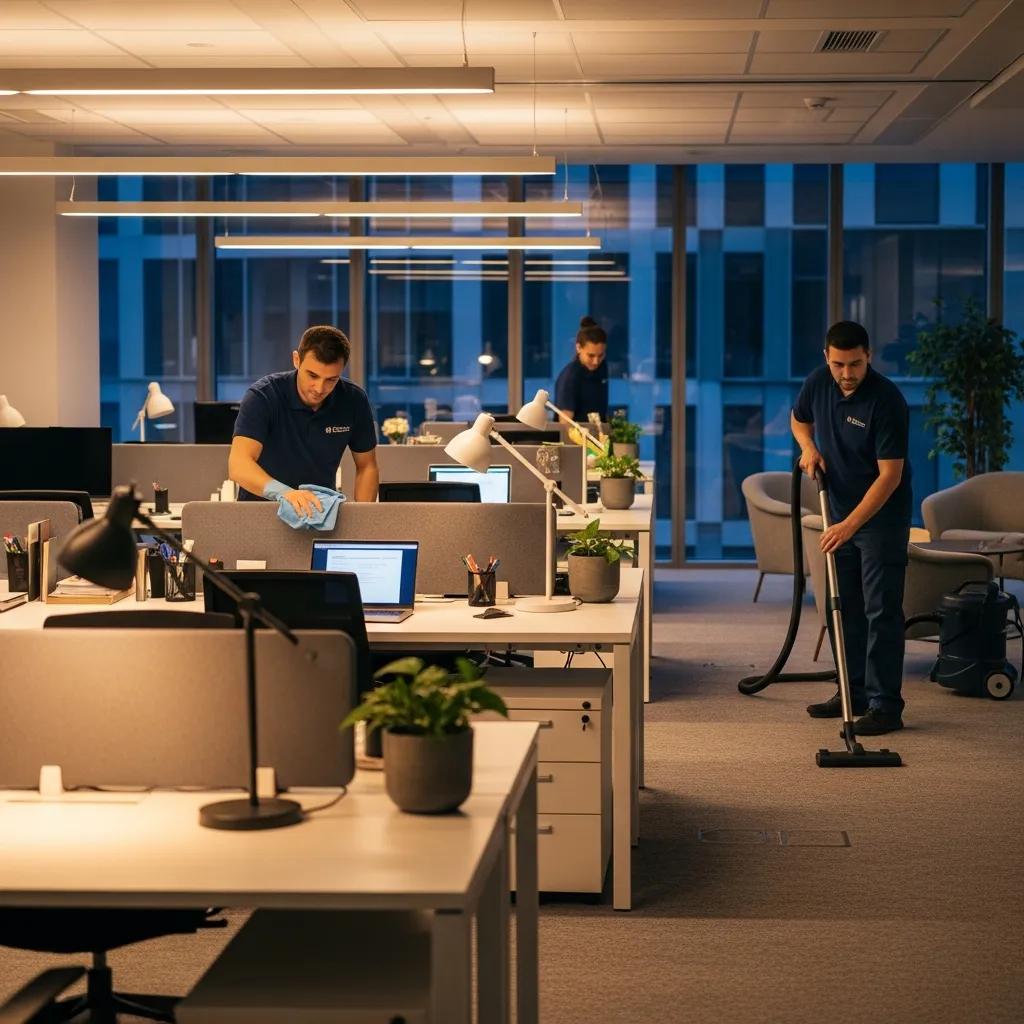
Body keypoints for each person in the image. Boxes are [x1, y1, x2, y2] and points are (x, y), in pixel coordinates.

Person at [792, 320, 912, 735]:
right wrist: (809, 447)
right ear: (826, 357)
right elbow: (798, 419)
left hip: (880, 519)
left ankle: (886, 705)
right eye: (839, 364)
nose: (847, 374)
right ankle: (853, 691)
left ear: (869, 357)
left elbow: (889, 477)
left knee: (881, 610)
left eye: (856, 364)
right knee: (844, 608)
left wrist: (849, 525)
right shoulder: (817, 382)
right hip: (837, 512)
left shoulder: (887, 401)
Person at [229, 324, 379, 513]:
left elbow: (367, 467)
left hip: (319, 515)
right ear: (296, 360)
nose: (319, 388)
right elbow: (239, 465)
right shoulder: (264, 396)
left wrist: (363, 520)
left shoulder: (353, 400)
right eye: (312, 375)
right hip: (260, 515)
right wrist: (285, 493)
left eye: (331, 379)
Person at [554, 315, 609, 421]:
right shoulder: (570, 377)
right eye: (591, 356)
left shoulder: (602, 367)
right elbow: (566, 422)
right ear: (578, 348)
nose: (596, 362)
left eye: (600, 355)